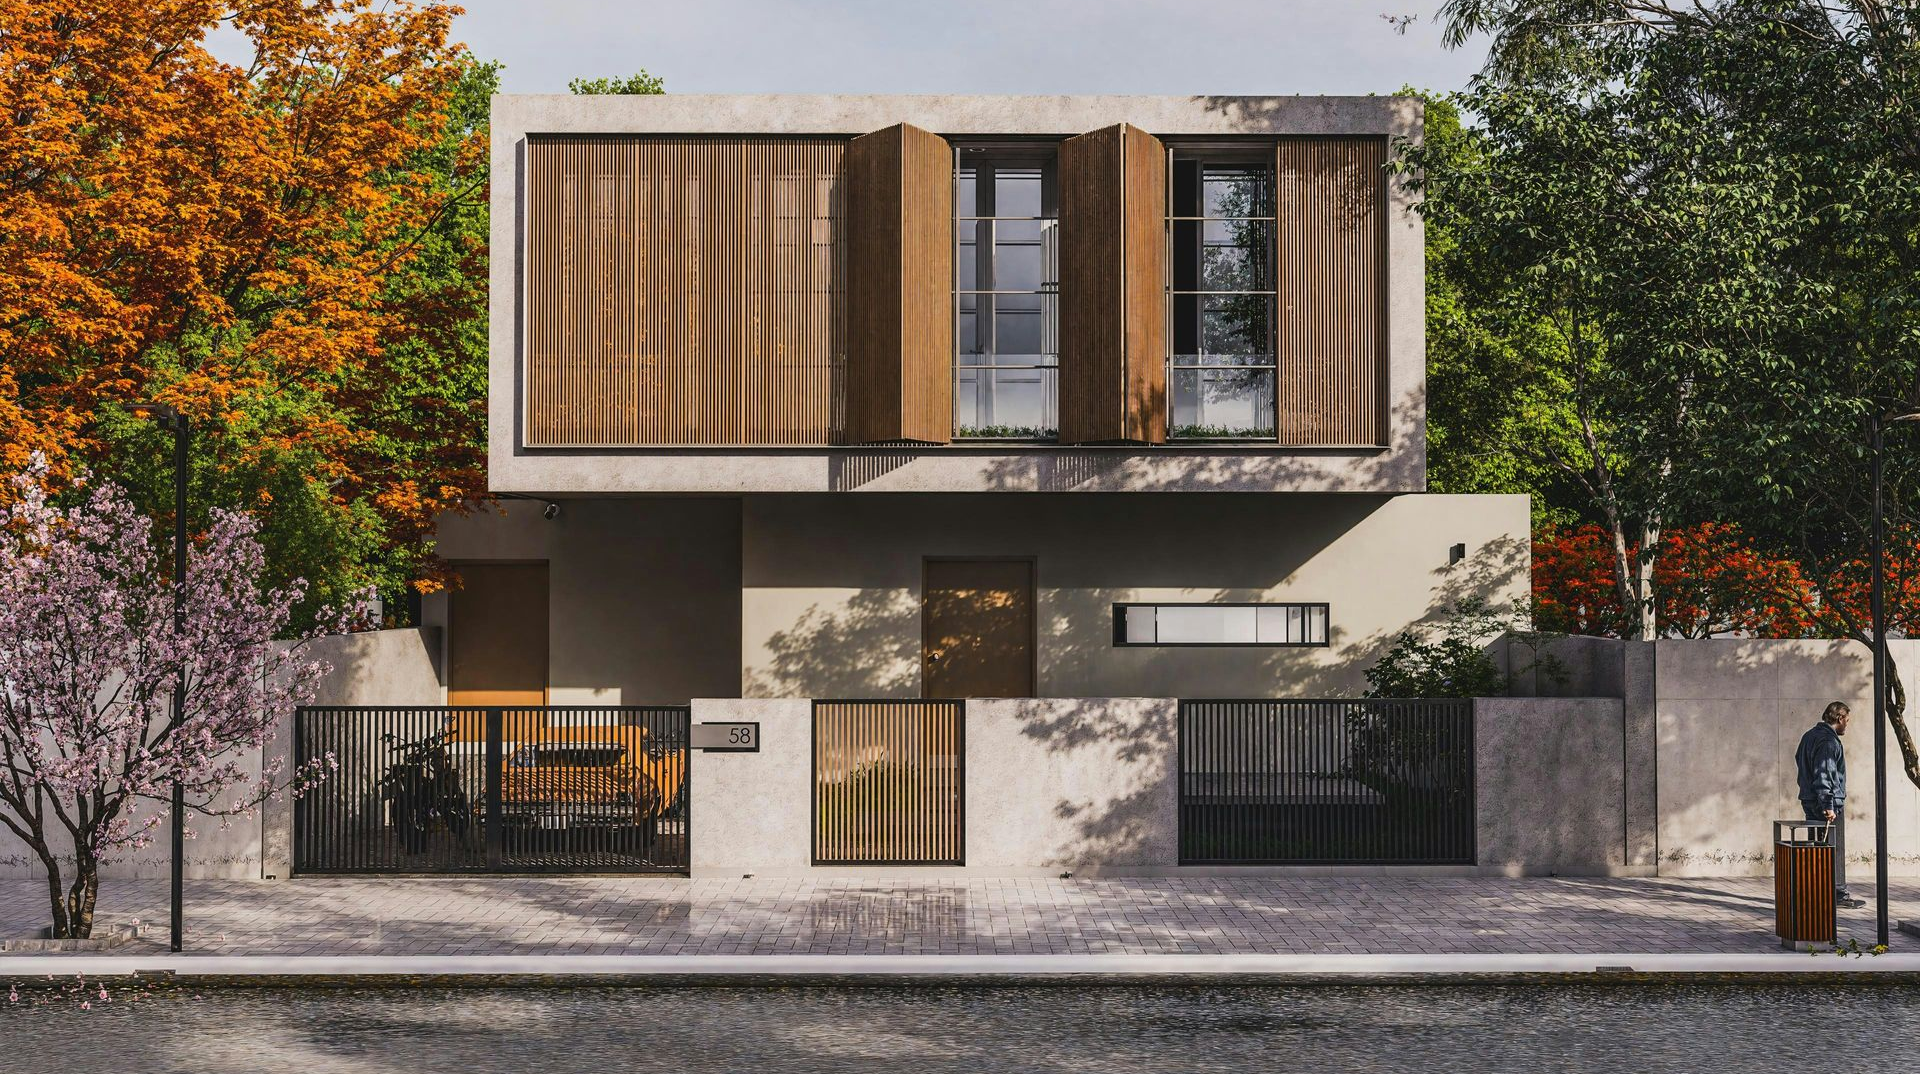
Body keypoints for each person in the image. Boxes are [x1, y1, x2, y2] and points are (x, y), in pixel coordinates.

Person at [1795, 701, 1865, 908]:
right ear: (1840, 718)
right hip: (1826, 803)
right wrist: (1828, 804)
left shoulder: (1809, 736)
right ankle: (1837, 894)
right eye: (1847, 721)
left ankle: (1816, 892)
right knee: (1833, 848)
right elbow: (1824, 773)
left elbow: (1801, 763)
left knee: (1818, 848)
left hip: (1810, 800)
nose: (1847, 725)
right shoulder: (1828, 741)